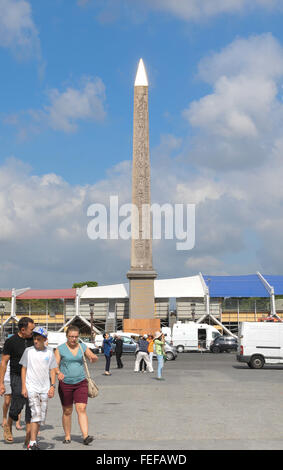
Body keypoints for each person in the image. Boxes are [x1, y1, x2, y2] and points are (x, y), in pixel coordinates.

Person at [54, 325, 98, 445]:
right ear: (67, 336)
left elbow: (91, 356)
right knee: (67, 411)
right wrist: (58, 372)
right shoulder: (60, 349)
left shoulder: (82, 346)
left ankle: (85, 436)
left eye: (76, 337)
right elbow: (54, 365)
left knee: (81, 408)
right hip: (66, 384)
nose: (73, 339)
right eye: (71, 336)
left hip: (81, 382)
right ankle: (67, 435)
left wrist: (93, 358)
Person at [20, 327, 57, 450]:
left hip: (44, 388)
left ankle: (32, 440)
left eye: (39, 339)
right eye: (35, 339)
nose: (35, 341)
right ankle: (32, 442)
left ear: (45, 340)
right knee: (35, 414)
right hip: (32, 387)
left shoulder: (50, 352)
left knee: (40, 417)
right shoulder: (28, 351)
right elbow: (23, 369)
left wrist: (52, 386)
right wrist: (24, 387)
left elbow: (52, 370)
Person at [0, 317, 35, 445]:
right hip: (17, 376)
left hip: (33, 377)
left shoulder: (34, 339)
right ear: (22, 329)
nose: (33, 331)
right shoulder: (11, 341)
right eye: (31, 329)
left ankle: (29, 434)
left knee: (32, 404)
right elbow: (3, 363)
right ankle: (8, 426)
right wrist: (1, 383)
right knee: (18, 403)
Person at [2, 359, 22, 430]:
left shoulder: (19, 354)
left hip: (18, 379)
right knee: (7, 402)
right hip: (7, 379)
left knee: (18, 401)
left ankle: (17, 422)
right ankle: (4, 418)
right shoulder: (6, 355)